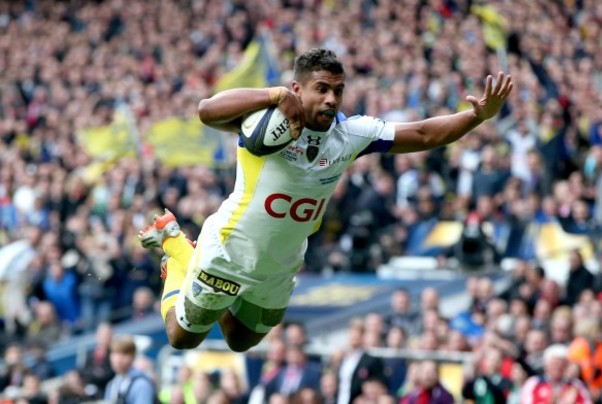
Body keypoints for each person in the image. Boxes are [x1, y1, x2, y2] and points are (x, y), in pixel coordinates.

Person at [138, 48, 513, 351]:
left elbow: (425, 134)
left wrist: (476, 117)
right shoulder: (265, 121)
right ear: (297, 89)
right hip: (227, 252)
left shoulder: (351, 134)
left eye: (338, 90)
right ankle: (177, 249)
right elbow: (206, 110)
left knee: (240, 340)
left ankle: (200, 271)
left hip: (280, 264)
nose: (331, 99)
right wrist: (272, 95)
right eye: (322, 88)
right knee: (182, 338)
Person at [104, 335, 157, 403]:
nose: (118, 359)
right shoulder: (112, 385)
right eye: (115, 353)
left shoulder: (141, 384)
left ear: (133, 357)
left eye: (124, 354)